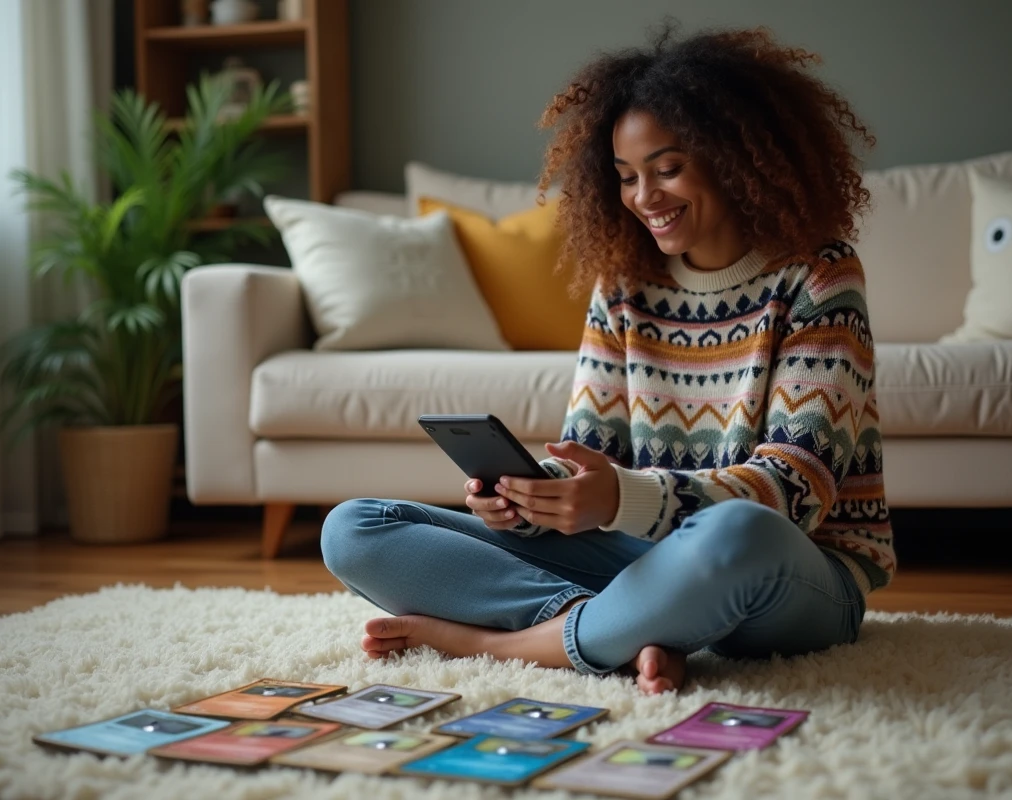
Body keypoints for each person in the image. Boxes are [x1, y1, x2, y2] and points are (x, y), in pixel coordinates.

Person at [321, 26, 896, 695]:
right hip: (642, 564)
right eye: (625, 177)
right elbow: (588, 452)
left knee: (741, 532)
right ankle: (608, 630)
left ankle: (504, 643)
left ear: (734, 156)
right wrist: (535, 496)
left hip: (784, 574)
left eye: (667, 167)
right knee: (355, 527)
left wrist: (622, 497)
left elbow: (797, 493)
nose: (644, 196)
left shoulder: (819, 274)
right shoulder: (625, 285)